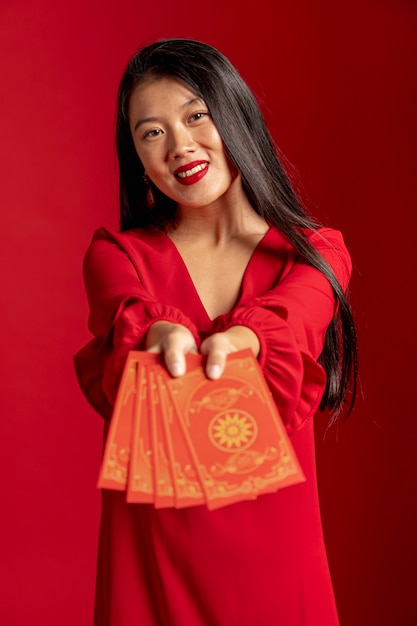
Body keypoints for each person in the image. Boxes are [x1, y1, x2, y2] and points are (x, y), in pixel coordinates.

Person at [74, 38, 357, 626]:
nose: (180, 146)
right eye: (150, 132)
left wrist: (239, 341)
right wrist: (161, 337)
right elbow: (129, 315)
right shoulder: (116, 255)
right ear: (137, 157)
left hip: (279, 572)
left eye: (196, 115)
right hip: (150, 568)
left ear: (235, 115)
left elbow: (293, 317)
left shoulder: (315, 254)